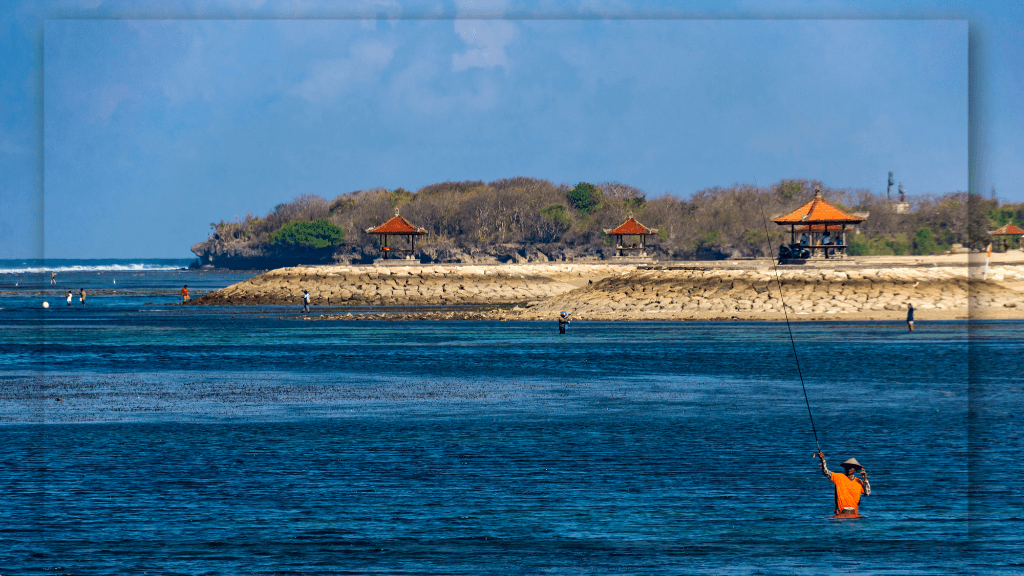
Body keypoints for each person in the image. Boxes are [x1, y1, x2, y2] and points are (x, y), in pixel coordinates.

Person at [816, 451, 870, 517]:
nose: (849, 468)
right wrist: (822, 459)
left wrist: (865, 480)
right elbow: (826, 472)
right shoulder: (839, 477)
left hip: (854, 515)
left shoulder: (859, 481)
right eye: (848, 467)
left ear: (855, 470)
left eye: (852, 467)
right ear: (845, 468)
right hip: (840, 514)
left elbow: (867, 493)